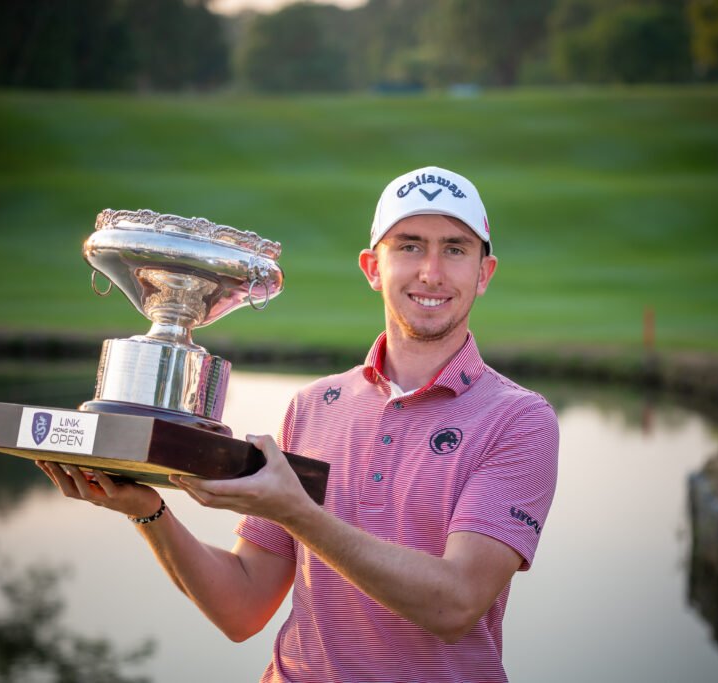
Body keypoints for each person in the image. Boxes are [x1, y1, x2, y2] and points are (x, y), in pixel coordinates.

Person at [37, 165, 559, 682]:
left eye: (455, 249)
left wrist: (300, 514)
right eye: (409, 245)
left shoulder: (518, 419)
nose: (431, 272)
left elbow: (455, 605)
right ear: (372, 268)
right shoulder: (316, 405)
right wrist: (149, 512)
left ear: (483, 273)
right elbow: (242, 607)